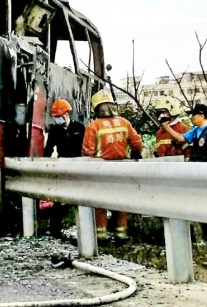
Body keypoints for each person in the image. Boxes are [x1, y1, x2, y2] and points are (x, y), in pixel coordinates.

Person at [82, 89, 143, 241]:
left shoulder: (94, 126)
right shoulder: (124, 122)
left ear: (95, 107)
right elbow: (137, 142)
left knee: (100, 202)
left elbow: (87, 151)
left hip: (100, 169)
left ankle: (101, 235)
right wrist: (136, 152)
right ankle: (121, 234)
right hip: (121, 169)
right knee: (120, 201)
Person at [160, 103, 207, 243]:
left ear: (201, 115)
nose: (192, 118)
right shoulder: (195, 131)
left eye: (194, 115)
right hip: (198, 174)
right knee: (202, 205)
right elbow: (181, 138)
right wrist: (166, 126)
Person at [42, 98, 85, 237]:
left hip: (78, 166)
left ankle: (83, 227)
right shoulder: (55, 130)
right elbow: (48, 149)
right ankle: (55, 229)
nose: (56, 120)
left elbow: (86, 147)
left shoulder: (79, 128)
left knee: (81, 199)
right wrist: (45, 163)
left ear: (66, 114)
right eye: (55, 118)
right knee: (58, 200)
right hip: (63, 166)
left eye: (58, 117)